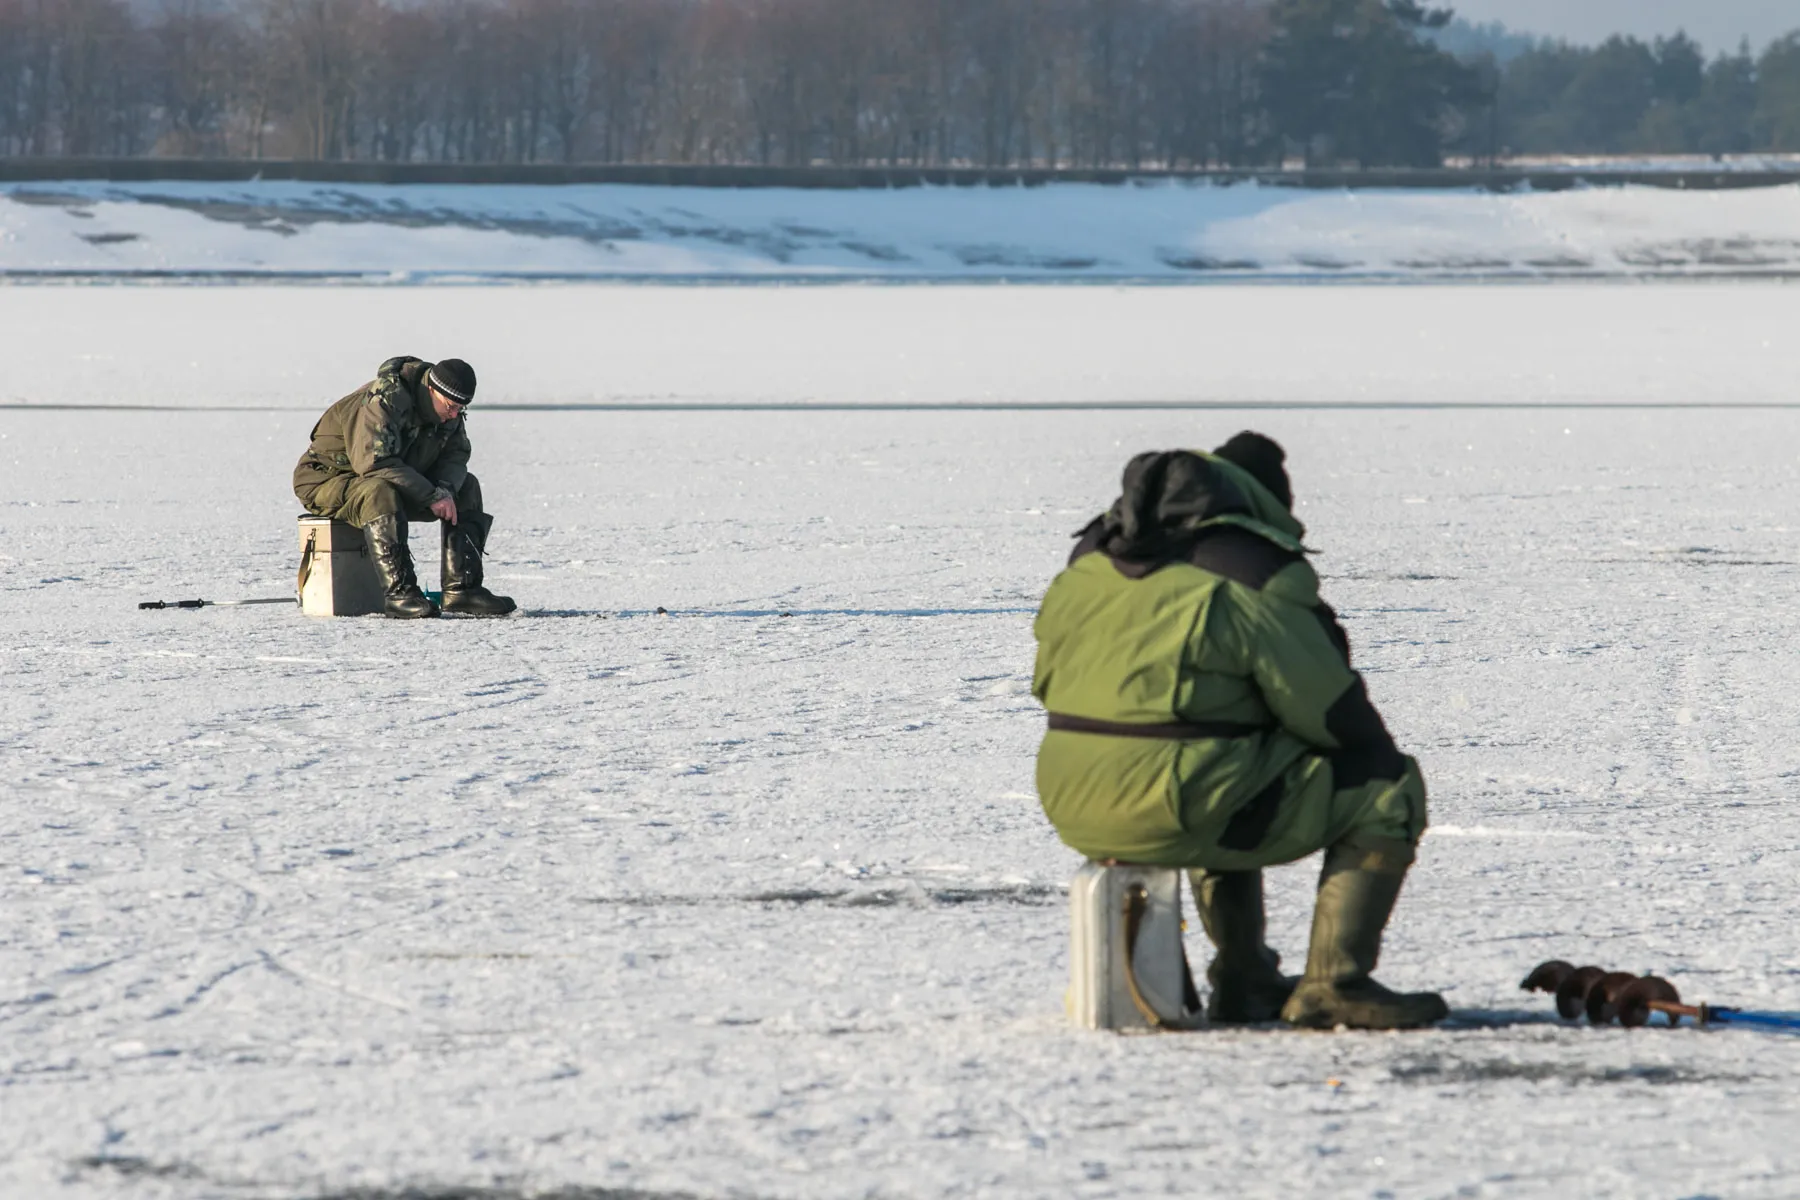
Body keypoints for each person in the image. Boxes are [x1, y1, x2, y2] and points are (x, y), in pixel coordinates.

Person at [1033, 434, 1446, 1030]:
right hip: (1178, 804)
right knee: (1387, 786)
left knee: (1227, 759)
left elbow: (1048, 683)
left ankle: (1246, 978)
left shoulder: (1085, 567)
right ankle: (1334, 985)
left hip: (1073, 802)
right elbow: (1328, 712)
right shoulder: (1252, 573)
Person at [293, 356, 515, 619]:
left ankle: (462, 590)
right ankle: (400, 594)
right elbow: (374, 463)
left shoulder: (449, 411)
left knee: (466, 486)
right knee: (378, 491)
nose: (454, 415)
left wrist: (444, 489)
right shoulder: (384, 401)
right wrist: (429, 494)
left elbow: (456, 456)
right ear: (432, 390)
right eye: (451, 406)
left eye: (461, 409)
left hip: (389, 480)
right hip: (327, 481)